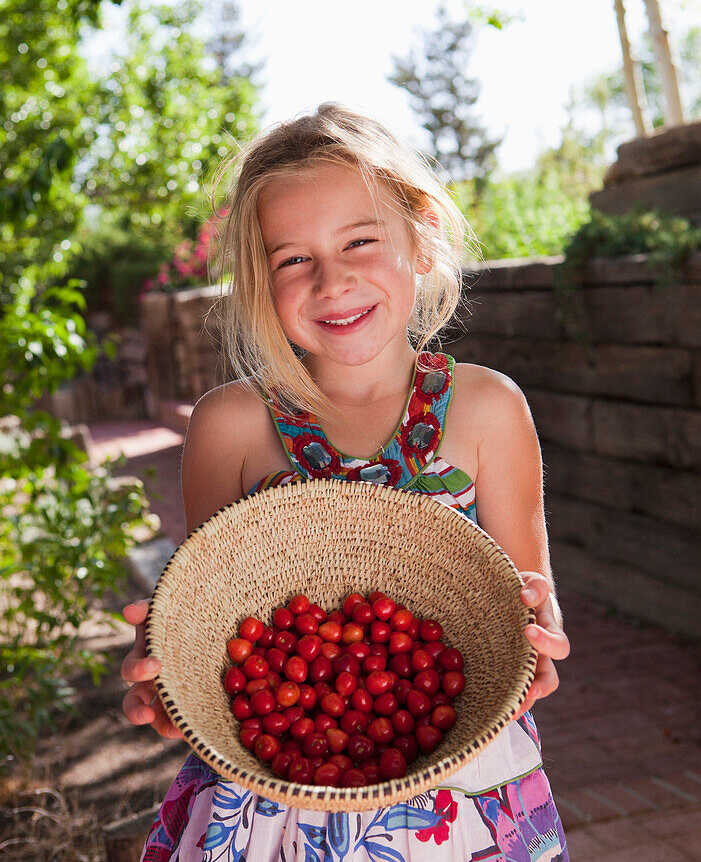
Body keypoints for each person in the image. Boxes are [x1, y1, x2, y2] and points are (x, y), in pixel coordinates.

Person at [121, 103, 571, 861]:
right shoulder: (229, 424)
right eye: (291, 258)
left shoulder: (488, 408)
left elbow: (529, 595)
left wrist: (538, 639)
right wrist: (168, 666)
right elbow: (207, 605)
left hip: (460, 796)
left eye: (360, 240)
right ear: (259, 281)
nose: (333, 280)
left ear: (421, 236)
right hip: (266, 801)